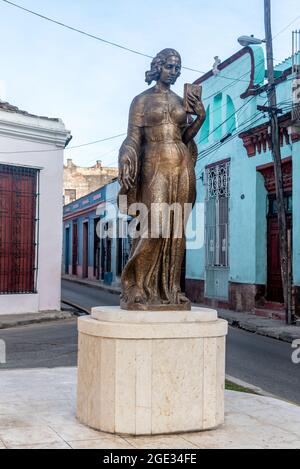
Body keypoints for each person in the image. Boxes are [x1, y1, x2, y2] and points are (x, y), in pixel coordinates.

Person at [118, 48, 205, 310]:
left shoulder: (181, 101)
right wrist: (125, 156)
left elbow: (185, 138)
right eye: (170, 66)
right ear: (158, 67)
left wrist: (200, 117)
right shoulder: (141, 101)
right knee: (153, 225)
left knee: (176, 229)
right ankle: (137, 286)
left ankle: (170, 290)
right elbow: (133, 137)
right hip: (153, 163)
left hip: (180, 164)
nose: (174, 72)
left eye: (178, 68)